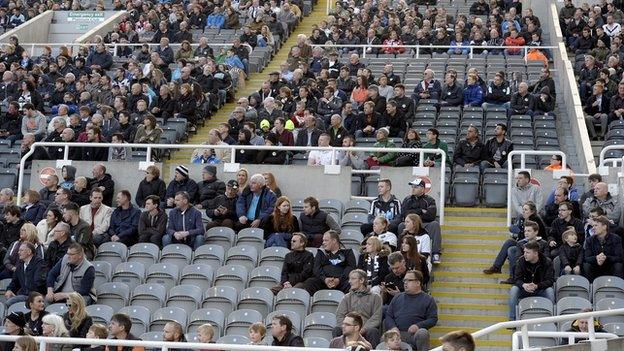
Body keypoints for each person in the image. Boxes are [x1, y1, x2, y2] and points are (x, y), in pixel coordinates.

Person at [384, 270, 438, 351]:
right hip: (397, 334)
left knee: (422, 333)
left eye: (409, 280)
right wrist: (393, 327)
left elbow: (433, 319)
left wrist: (418, 326)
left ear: (418, 283)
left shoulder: (428, 299)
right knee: (385, 337)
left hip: (415, 335)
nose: (405, 283)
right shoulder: (397, 297)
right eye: (404, 280)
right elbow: (388, 315)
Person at [334, 270, 382, 347]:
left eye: (353, 279)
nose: (349, 281)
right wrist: (346, 327)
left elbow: (376, 317)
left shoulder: (375, 297)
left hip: (366, 329)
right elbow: (339, 316)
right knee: (337, 329)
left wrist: (362, 329)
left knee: (373, 331)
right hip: (349, 327)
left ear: (362, 280)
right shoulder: (347, 297)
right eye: (349, 279)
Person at [508, 241, 555, 320]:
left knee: (550, 291)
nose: (525, 254)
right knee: (514, 289)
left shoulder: (547, 262)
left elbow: (550, 280)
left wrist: (537, 286)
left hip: (540, 289)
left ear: (536, 253)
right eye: (524, 252)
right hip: (524, 289)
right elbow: (516, 279)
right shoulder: (520, 261)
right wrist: (524, 285)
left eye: (527, 252)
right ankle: (512, 319)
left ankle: (552, 319)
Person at [399, 178, 442, 264]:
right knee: (401, 225)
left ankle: (435, 253)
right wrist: (420, 211)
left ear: (422, 189)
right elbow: (404, 213)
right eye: (412, 186)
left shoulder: (430, 200)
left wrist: (413, 211)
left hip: (424, 223)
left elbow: (431, 215)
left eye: (416, 187)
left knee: (435, 224)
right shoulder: (407, 199)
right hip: (411, 223)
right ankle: (401, 252)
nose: (413, 188)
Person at [5, 242, 46, 306]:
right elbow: (14, 282)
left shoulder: (39, 263)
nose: (18, 252)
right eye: (19, 250)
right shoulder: (20, 265)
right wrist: (9, 290)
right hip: (24, 295)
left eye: (21, 250)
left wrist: (23, 294)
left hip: (36, 296)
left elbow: (39, 283)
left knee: (9, 303)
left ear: (29, 252)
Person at [583, 215, 623, 281]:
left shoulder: (616, 238)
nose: (593, 228)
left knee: (618, 266)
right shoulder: (589, 240)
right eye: (593, 226)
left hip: (610, 266)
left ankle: (617, 288)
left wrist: (605, 258)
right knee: (586, 265)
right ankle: (590, 288)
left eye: (596, 225)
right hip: (596, 267)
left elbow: (619, 258)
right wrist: (596, 258)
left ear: (604, 227)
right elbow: (587, 258)